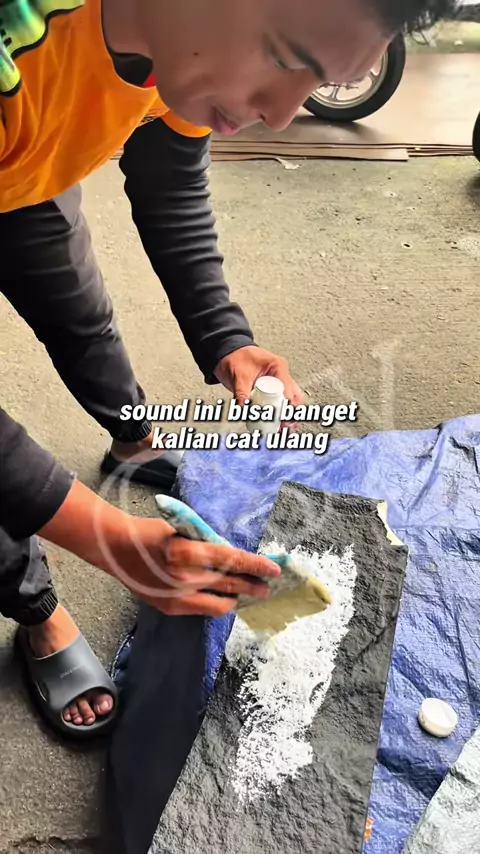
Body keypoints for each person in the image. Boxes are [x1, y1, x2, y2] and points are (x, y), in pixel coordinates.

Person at [0, 0, 454, 737]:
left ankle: (132, 441)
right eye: (285, 58)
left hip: (23, 172)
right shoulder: (17, 52)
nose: (280, 116)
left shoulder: (185, 42)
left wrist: (224, 336)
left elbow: (170, 177)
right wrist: (107, 537)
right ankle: (35, 606)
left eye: (315, 87)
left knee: (79, 315)